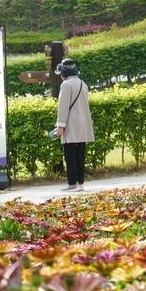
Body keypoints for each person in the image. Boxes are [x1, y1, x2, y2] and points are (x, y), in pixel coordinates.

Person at [54, 59, 94, 192]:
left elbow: (63, 107)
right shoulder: (83, 83)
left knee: (70, 156)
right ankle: (80, 183)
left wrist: (60, 126)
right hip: (83, 125)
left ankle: (73, 183)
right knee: (80, 156)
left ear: (64, 73)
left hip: (71, 125)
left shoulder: (66, 85)